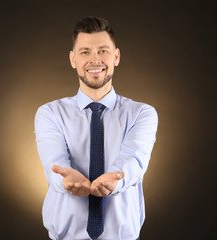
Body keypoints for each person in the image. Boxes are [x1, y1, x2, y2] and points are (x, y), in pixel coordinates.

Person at [34, 16, 158, 240]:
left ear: (116, 56)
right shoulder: (50, 113)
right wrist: (65, 180)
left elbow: (134, 159)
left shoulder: (142, 113)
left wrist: (115, 178)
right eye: (85, 52)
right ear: (73, 59)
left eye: (103, 51)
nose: (95, 59)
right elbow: (54, 162)